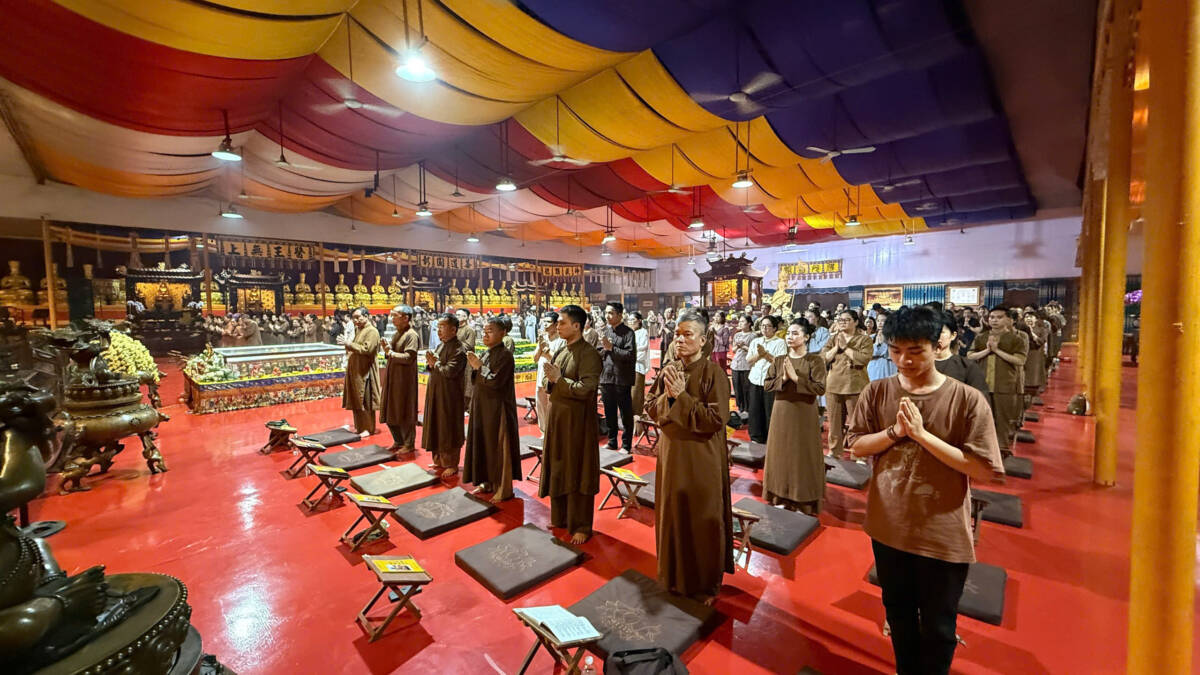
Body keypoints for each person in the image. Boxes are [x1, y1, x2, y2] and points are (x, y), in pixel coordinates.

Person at [845, 306, 1004, 675]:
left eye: (915, 351)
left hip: (941, 531)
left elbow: (982, 468)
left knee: (939, 626)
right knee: (899, 616)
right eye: (896, 350)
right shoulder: (877, 391)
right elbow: (856, 447)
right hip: (888, 526)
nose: (904, 360)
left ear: (938, 346)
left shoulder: (966, 399)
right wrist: (895, 433)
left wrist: (921, 435)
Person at [644, 310, 732, 604]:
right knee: (673, 513)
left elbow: (715, 420)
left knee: (702, 516)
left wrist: (681, 396)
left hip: (701, 456)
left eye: (688, 335)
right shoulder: (669, 369)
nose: (680, 340)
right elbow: (650, 407)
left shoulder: (713, 374)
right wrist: (670, 397)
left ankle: (706, 584)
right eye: (677, 334)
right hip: (671, 454)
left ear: (703, 340)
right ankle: (673, 576)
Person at [539, 305, 603, 545]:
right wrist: (551, 379)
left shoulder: (589, 354)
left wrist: (559, 379)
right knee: (558, 465)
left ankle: (581, 524)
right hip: (558, 419)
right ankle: (561, 516)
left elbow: (587, 390)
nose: (558, 326)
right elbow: (552, 382)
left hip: (578, 423)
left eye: (562, 322)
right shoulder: (561, 350)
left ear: (577, 326)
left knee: (578, 470)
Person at [763, 319, 828, 514]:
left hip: (804, 414)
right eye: (789, 333)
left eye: (795, 333)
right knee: (780, 453)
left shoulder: (815, 361)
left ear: (806, 337)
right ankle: (779, 496)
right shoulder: (779, 360)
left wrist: (796, 378)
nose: (790, 337)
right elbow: (767, 384)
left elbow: (820, 388)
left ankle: (803, 501)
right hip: (781, 413)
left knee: (803, 455)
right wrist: (783, 379)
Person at [463, 316, 521, 502]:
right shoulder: (487, 353)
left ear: (502, 333)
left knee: (499, 447)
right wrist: (476, 368)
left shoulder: (505, 355)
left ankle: (503, 488)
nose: (485, 335)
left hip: (498, 409)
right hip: (482, 406)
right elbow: (477, 379)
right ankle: (486, 480)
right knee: (484, 444)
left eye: (490, 331)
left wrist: (479, 367)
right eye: (484, 331)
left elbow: (496, 382)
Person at [968, 306, 1027, 454]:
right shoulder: (981, 337)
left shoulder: (1016, 339)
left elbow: (1020, 360)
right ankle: (982, 447)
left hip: (1005, 384)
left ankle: (1002, 449)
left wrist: (997, 351)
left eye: (999, 317)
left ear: (1008, 320)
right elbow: (970, 355)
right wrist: (987, 350)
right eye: (992, 317)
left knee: (1003, 419)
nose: (994, 320)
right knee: (982, 417)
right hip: (983, 384)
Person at [822, 310, 873, 457]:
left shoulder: (864, 340)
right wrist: (836, 348)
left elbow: (863, 359)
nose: (842, 322)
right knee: (834, 422)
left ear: (856, 322)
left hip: (855, 385)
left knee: (857, 423)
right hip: (833, 384)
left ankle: (859, 453)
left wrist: (845, 348)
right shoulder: (833, 338)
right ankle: (835, 451)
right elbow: (824, 357)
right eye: (840, 320)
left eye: (846, 320)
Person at [423, 313, 468, 478]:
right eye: (438, 327)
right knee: (436, 425)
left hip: (450, 396)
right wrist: (430, 364)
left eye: (442, 327)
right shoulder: (441, 345)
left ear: (453, 330)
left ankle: (451, 463)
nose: (439, 330)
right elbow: (435, 366)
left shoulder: (459, 349)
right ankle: (439, 459)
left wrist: (435, 364)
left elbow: (450, 371)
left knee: (448, 427)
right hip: (436, 392)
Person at [380, 305, 419, 455]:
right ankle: (398, 440)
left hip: (404, 380)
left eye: (395, 315)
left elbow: (409, 357)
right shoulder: (398, 333)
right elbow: (392, 353)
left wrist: (391, 353)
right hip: (393, 377)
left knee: (404, 410)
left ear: (406, 318)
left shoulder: (411, 335)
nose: (392, 319)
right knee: (391, 408)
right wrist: (387, 350)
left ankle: (409, 444)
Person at [598, 302, 636, 452]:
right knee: (609, 411)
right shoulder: (605, 331)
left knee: (625, 413)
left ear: (620, 315)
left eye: (611, 313)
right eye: (606, 313)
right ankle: (612, 441)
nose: (607, 316)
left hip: (622, 378)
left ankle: (626, 445)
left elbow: (630, 355)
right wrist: (603, 349)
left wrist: (611, 348)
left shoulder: (628, 333)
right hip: (606, 377)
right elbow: (599, 351)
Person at [339, 307, 380, 436]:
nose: (355, 320)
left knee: (365, 399)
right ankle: (359, 427)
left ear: (367, 316)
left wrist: (349, 344)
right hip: (356, 369)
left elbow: (367, 350)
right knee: (357, 399)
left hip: (365, 370)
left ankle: (368, 428)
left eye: (358, 317)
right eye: (354, 318)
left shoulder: (372, 331)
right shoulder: (359, 329)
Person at [746, 315, 786, 443]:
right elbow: (749, 360)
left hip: (770, 381)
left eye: (768, 326)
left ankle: (770, 437)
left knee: (769, 410)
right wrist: (759, 354)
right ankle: (755, 436)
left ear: (774, 328)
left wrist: (766, 354)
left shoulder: (780, 343)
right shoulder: (755, 341)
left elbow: (779, 363)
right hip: (755, 379)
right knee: (754, 409)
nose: (764, 328)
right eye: (762, 326)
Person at [933, 311, 989, 396]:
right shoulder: (917, 364)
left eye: (941, 332)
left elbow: (980, 398)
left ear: (953, 335)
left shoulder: (967, 367)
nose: (935, 336)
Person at [533, 311, 565, 437]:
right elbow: (535, 359)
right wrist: (540, 347)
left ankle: (554, 433)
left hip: (552, 379)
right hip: (541, 376)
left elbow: (557, 361)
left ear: (556, 324)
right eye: (544, 322)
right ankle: (544, 431)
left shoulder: (561, 340)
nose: (545, 324)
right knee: (540, 405)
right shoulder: (544, 338)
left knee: (552, 406)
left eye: (548, 322)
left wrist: (546, 350)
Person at [730, 314, 755, 417]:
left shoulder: (753, 336)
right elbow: (733, 350)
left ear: (749, 323)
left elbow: (753, 351)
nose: (740, 323)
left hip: (747, 365)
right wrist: (737, 346)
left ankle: (747, 408)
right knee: (737, 387)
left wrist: (743, 346)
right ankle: (740, 407)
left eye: (743, 321)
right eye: (739, 321)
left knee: (746, 388)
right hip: (736, 364)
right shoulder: (737, 335)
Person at [629, 311, 650, 431]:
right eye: (629, 320)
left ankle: (636, 424)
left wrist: (629, 355)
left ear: (639, 321)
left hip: (637, 367)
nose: (631, 322)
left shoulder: (643, 332)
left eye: (633, 320)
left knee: (636, 396)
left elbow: (642, 351)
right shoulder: (630, 332)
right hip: (627, 367)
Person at [868, 312, 899, 381]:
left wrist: (883, 344)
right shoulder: (871, 337)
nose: (880, 323)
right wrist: (877, 344)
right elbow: (867, 354)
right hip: (873, 370)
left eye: (883, 321)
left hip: (888, 369)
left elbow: (893, 354)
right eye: (878, 321)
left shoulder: (895, 338)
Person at [456, 308, 477, 404]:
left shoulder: (469, 330)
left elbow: (469, 345)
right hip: (456, 359)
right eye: (456, 314)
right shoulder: (455, 329)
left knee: (467, 383)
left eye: (458, 315)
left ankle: (467, 406)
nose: (456, 316)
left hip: (466, 360)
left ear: (465, 317)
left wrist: (455, 344)